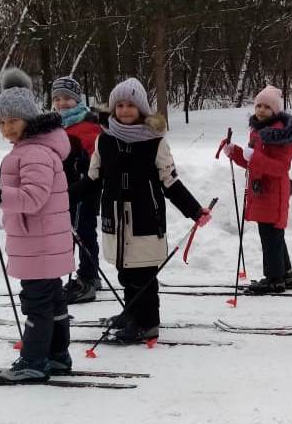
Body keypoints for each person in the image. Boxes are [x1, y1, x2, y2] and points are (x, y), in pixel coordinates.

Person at [0, 68, 74, 382]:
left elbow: (33, 198)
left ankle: (34, 361)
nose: (7, 128)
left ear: (28, 119)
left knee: (37, 303)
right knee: (52, 300)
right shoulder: (31, 150)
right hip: (42, 243)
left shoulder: (35, 153)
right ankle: (56, 355)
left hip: (37, 244)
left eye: (13, 121)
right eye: (1, 122)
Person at [87, 77, 212, 342]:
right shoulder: (104, 139)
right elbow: (93, 179)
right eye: (119, 105)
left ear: (142, 108)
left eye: (131, 105)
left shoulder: (155, 141)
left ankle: (148, 323)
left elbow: (170, 181)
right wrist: (64, 198)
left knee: (142, 275)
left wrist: (194, 210)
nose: (124, 110)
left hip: (145, 217)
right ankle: (132, 313)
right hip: (115, 216)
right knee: (125, 271)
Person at [223, 85, 292, 294]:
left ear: (275, 111)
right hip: (263, 191)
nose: (261, 110)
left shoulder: (280, 135)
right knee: (273, 234)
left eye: (267, 106)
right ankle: (285, 273)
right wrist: (236, 153)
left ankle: (274, 279)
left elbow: (280, 167)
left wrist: (253, 157)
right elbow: (253, 163)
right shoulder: (258, 131)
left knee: (270, 234)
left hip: (273, 192)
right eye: (258, 105)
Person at [50, 76, 103, 303]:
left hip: (86, 189)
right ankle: (83, 275)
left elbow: (97, 157)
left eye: (68, 99)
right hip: (64, 190)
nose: (62, 103)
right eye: (58, 99)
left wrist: (85, 163)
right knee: (68, 233)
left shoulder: (87, 124)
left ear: (77, 100)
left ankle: (89, 276)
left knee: (84, 232)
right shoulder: (54, 126)